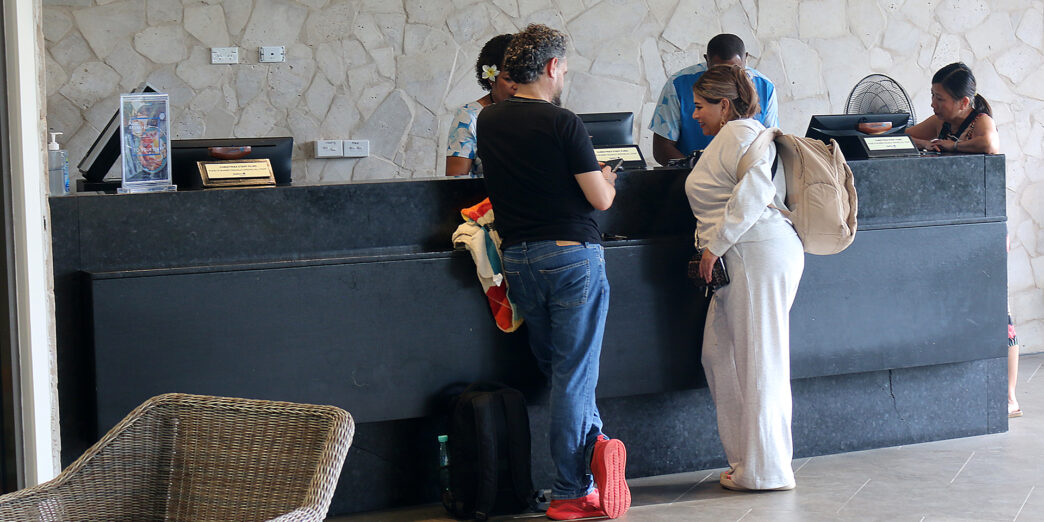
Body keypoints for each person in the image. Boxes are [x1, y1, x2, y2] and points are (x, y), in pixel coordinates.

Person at [476, 24, 630, 520]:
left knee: (561, 372)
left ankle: (593, 451)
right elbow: (600, 199)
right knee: (573, 377)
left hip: (520, 260)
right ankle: (571, 489)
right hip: (571, 256)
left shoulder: (491, 122)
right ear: (550, 68)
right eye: (563, 65)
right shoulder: (564, 123)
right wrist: (606, 177)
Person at [684, 64, 803, 492]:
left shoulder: (739, 132)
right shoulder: (735, 136)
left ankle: (768, 471)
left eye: (700, 106)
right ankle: (748, 461)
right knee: (720, 357)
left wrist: (716, 244)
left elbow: (754, 190)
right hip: (751, 253)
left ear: (724, 104)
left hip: (754, 252)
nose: (693, 115)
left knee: (760, 362)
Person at [650, 34, 778, 166]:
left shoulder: (765, 86)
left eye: (734, 69)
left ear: (746, 59)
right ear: (707, 60)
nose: (727, 76)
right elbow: (662, 148)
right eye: (718, 69)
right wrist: (697, 172)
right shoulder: (678, 84)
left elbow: (770, 143)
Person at [446, 34, 518, 177]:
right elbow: (456, 182)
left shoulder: (537, 115)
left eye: (523, 77)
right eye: (509, 79)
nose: (517, 86)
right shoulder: (469, 117)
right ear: (491, 78)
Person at [905, 62, 1000, 154]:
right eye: (932, 95)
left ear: (964, 102)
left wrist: (954, 146)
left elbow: (989, 144)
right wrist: (924, 144)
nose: (933, 104)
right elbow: (898, 138)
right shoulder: (939, 121)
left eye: (939, 99)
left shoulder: (982, 120)